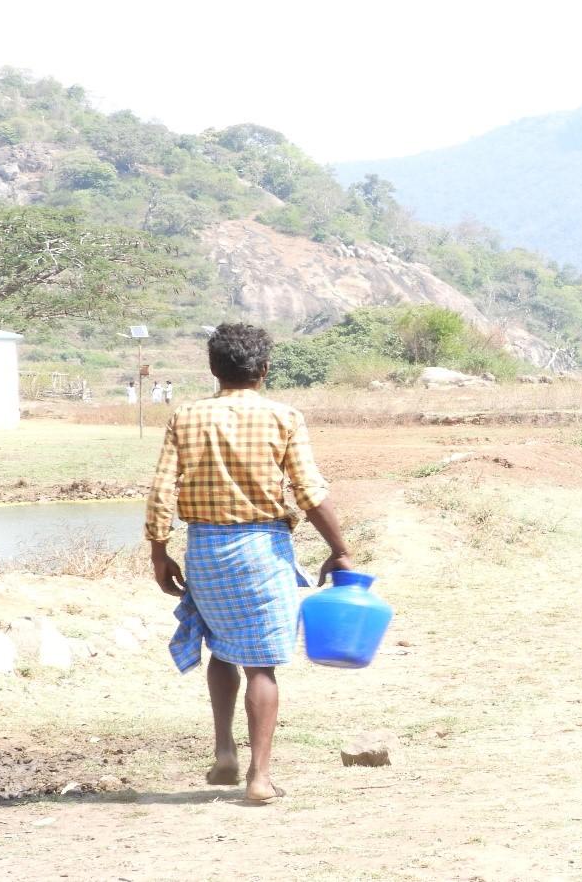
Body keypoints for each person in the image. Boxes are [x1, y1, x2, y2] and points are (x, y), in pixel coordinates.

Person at [145, 323, 353, 804]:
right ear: (263, 370)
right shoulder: (284, 417)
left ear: (214, 369)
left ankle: (224, 751)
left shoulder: (187, 417)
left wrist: (159, 551)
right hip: (262, 550)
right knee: (261, 665)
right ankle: (259, 778)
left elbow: (160, 491)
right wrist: (339, 548)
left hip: (205, 551)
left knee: (220, 646)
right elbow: (310, 492)